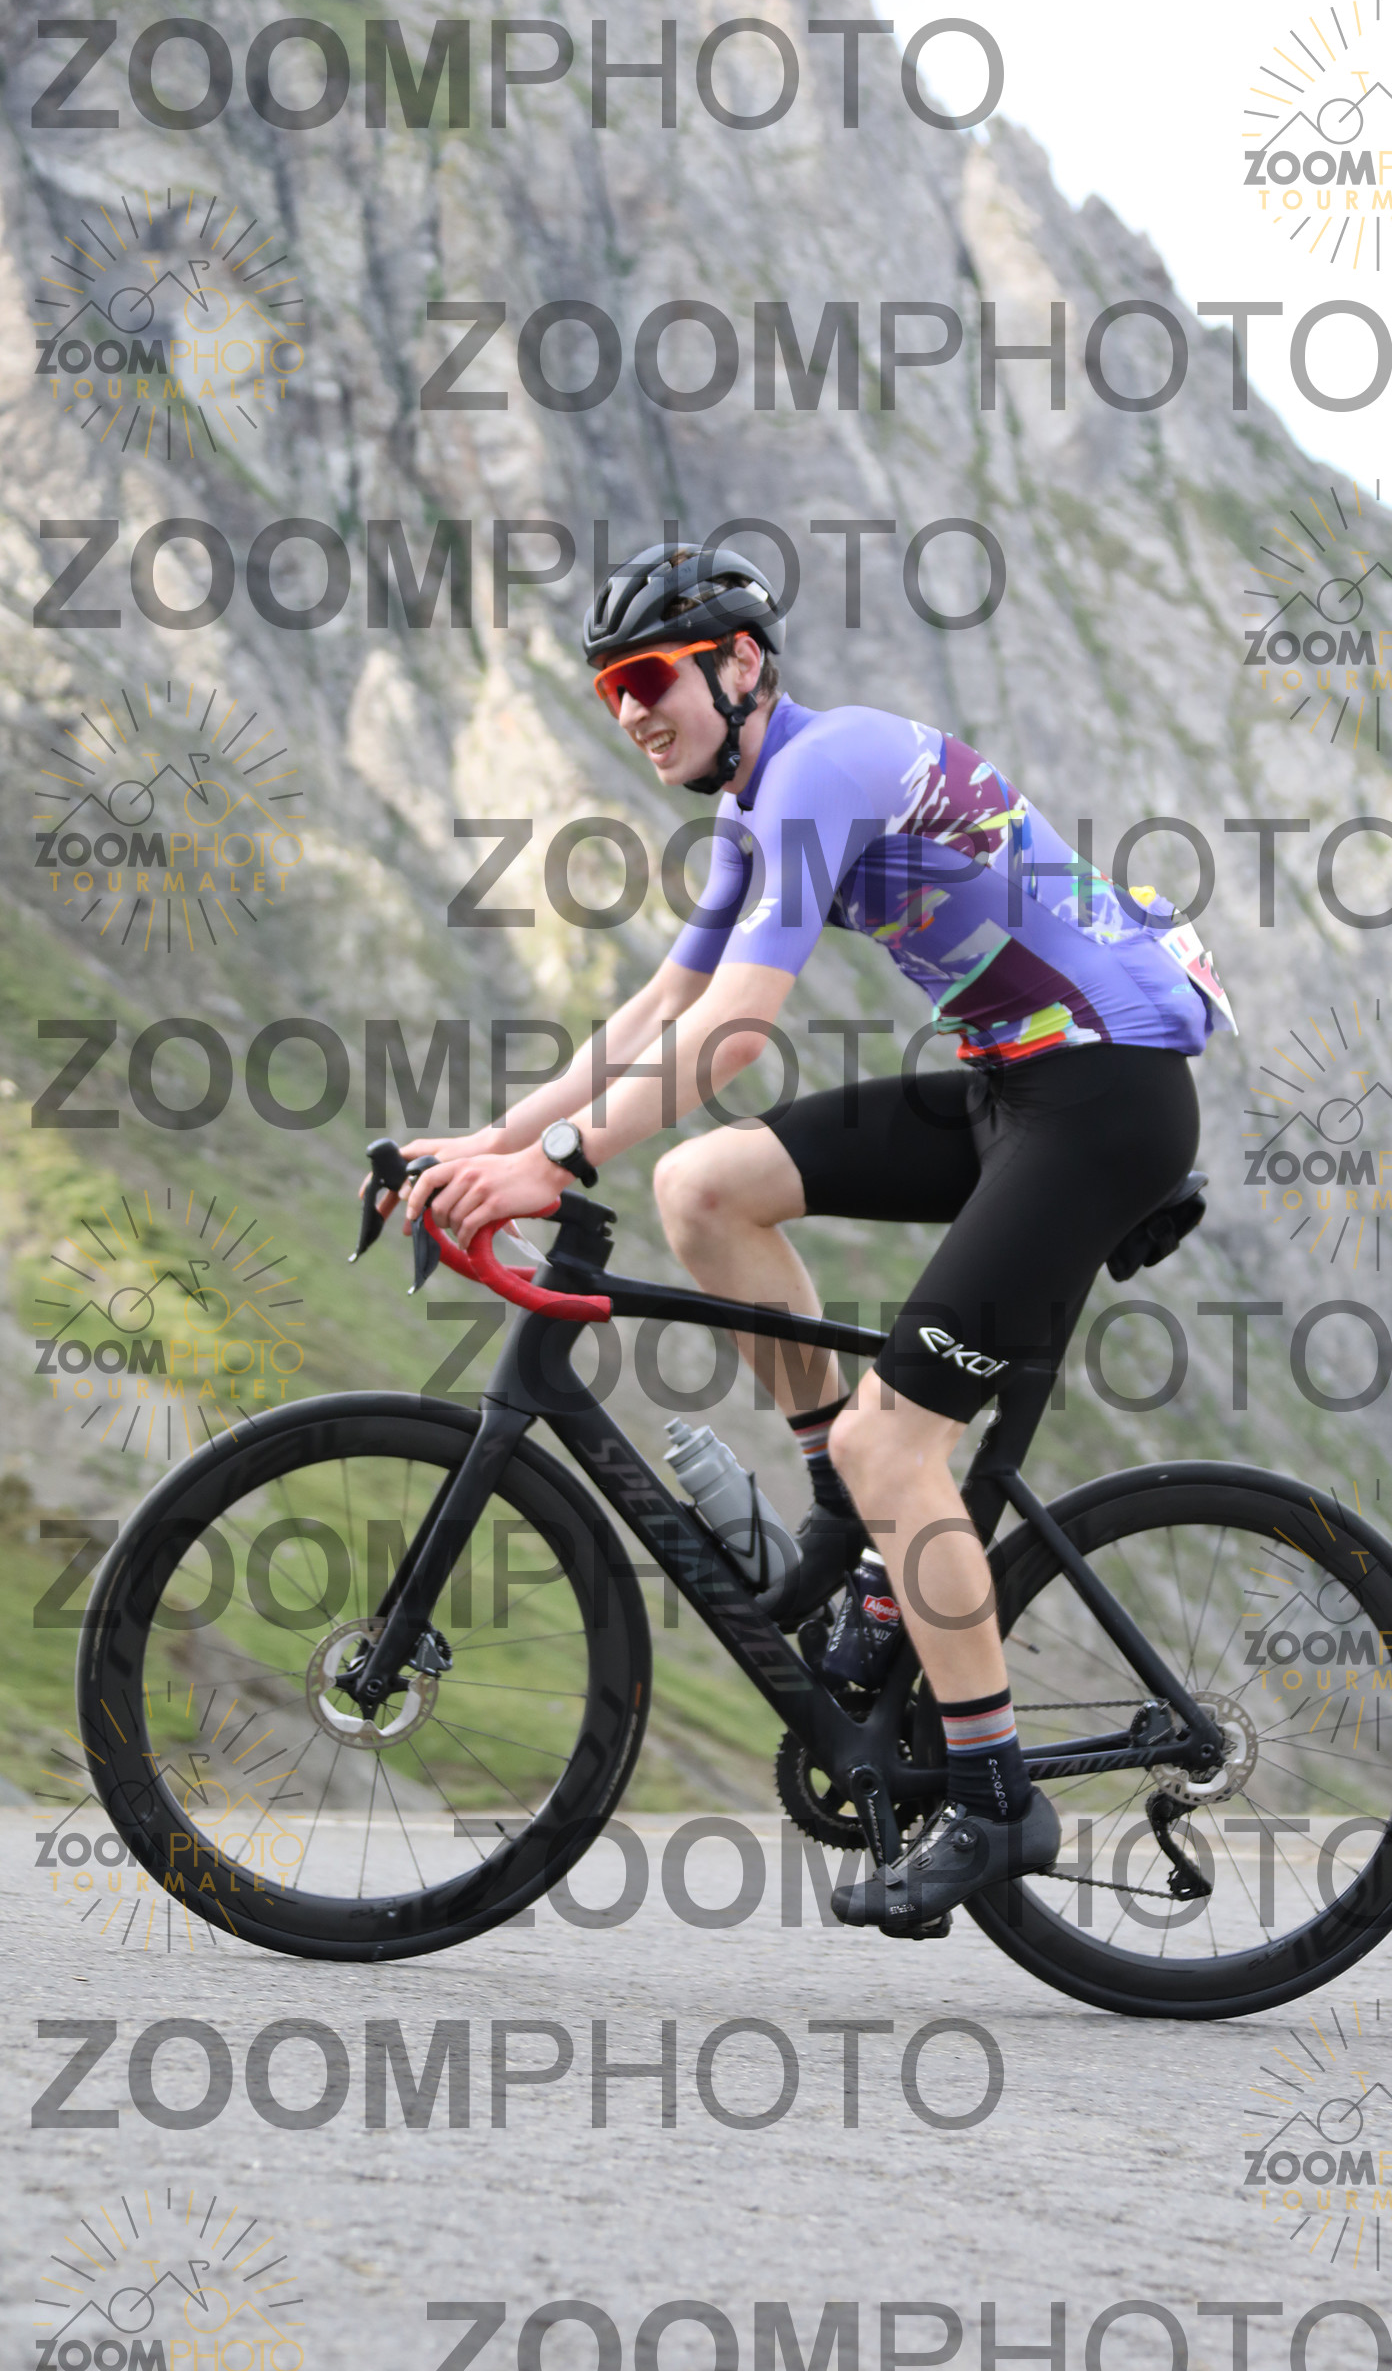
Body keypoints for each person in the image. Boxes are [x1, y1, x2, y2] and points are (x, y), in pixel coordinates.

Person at [402, 541, 1235, 1928]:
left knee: (894, 1440)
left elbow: (736, 1029)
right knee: (703, 1189)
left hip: (1104, 1098)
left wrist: (557, 1163)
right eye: (611, 690)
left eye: (651, 677)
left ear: (741, 663)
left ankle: (995, 1799)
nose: (632, 711)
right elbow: (660, 1009)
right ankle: (850, 1537)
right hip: (1015, 1087)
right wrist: (490, 1145)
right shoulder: (756, 808)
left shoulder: (825, 767)